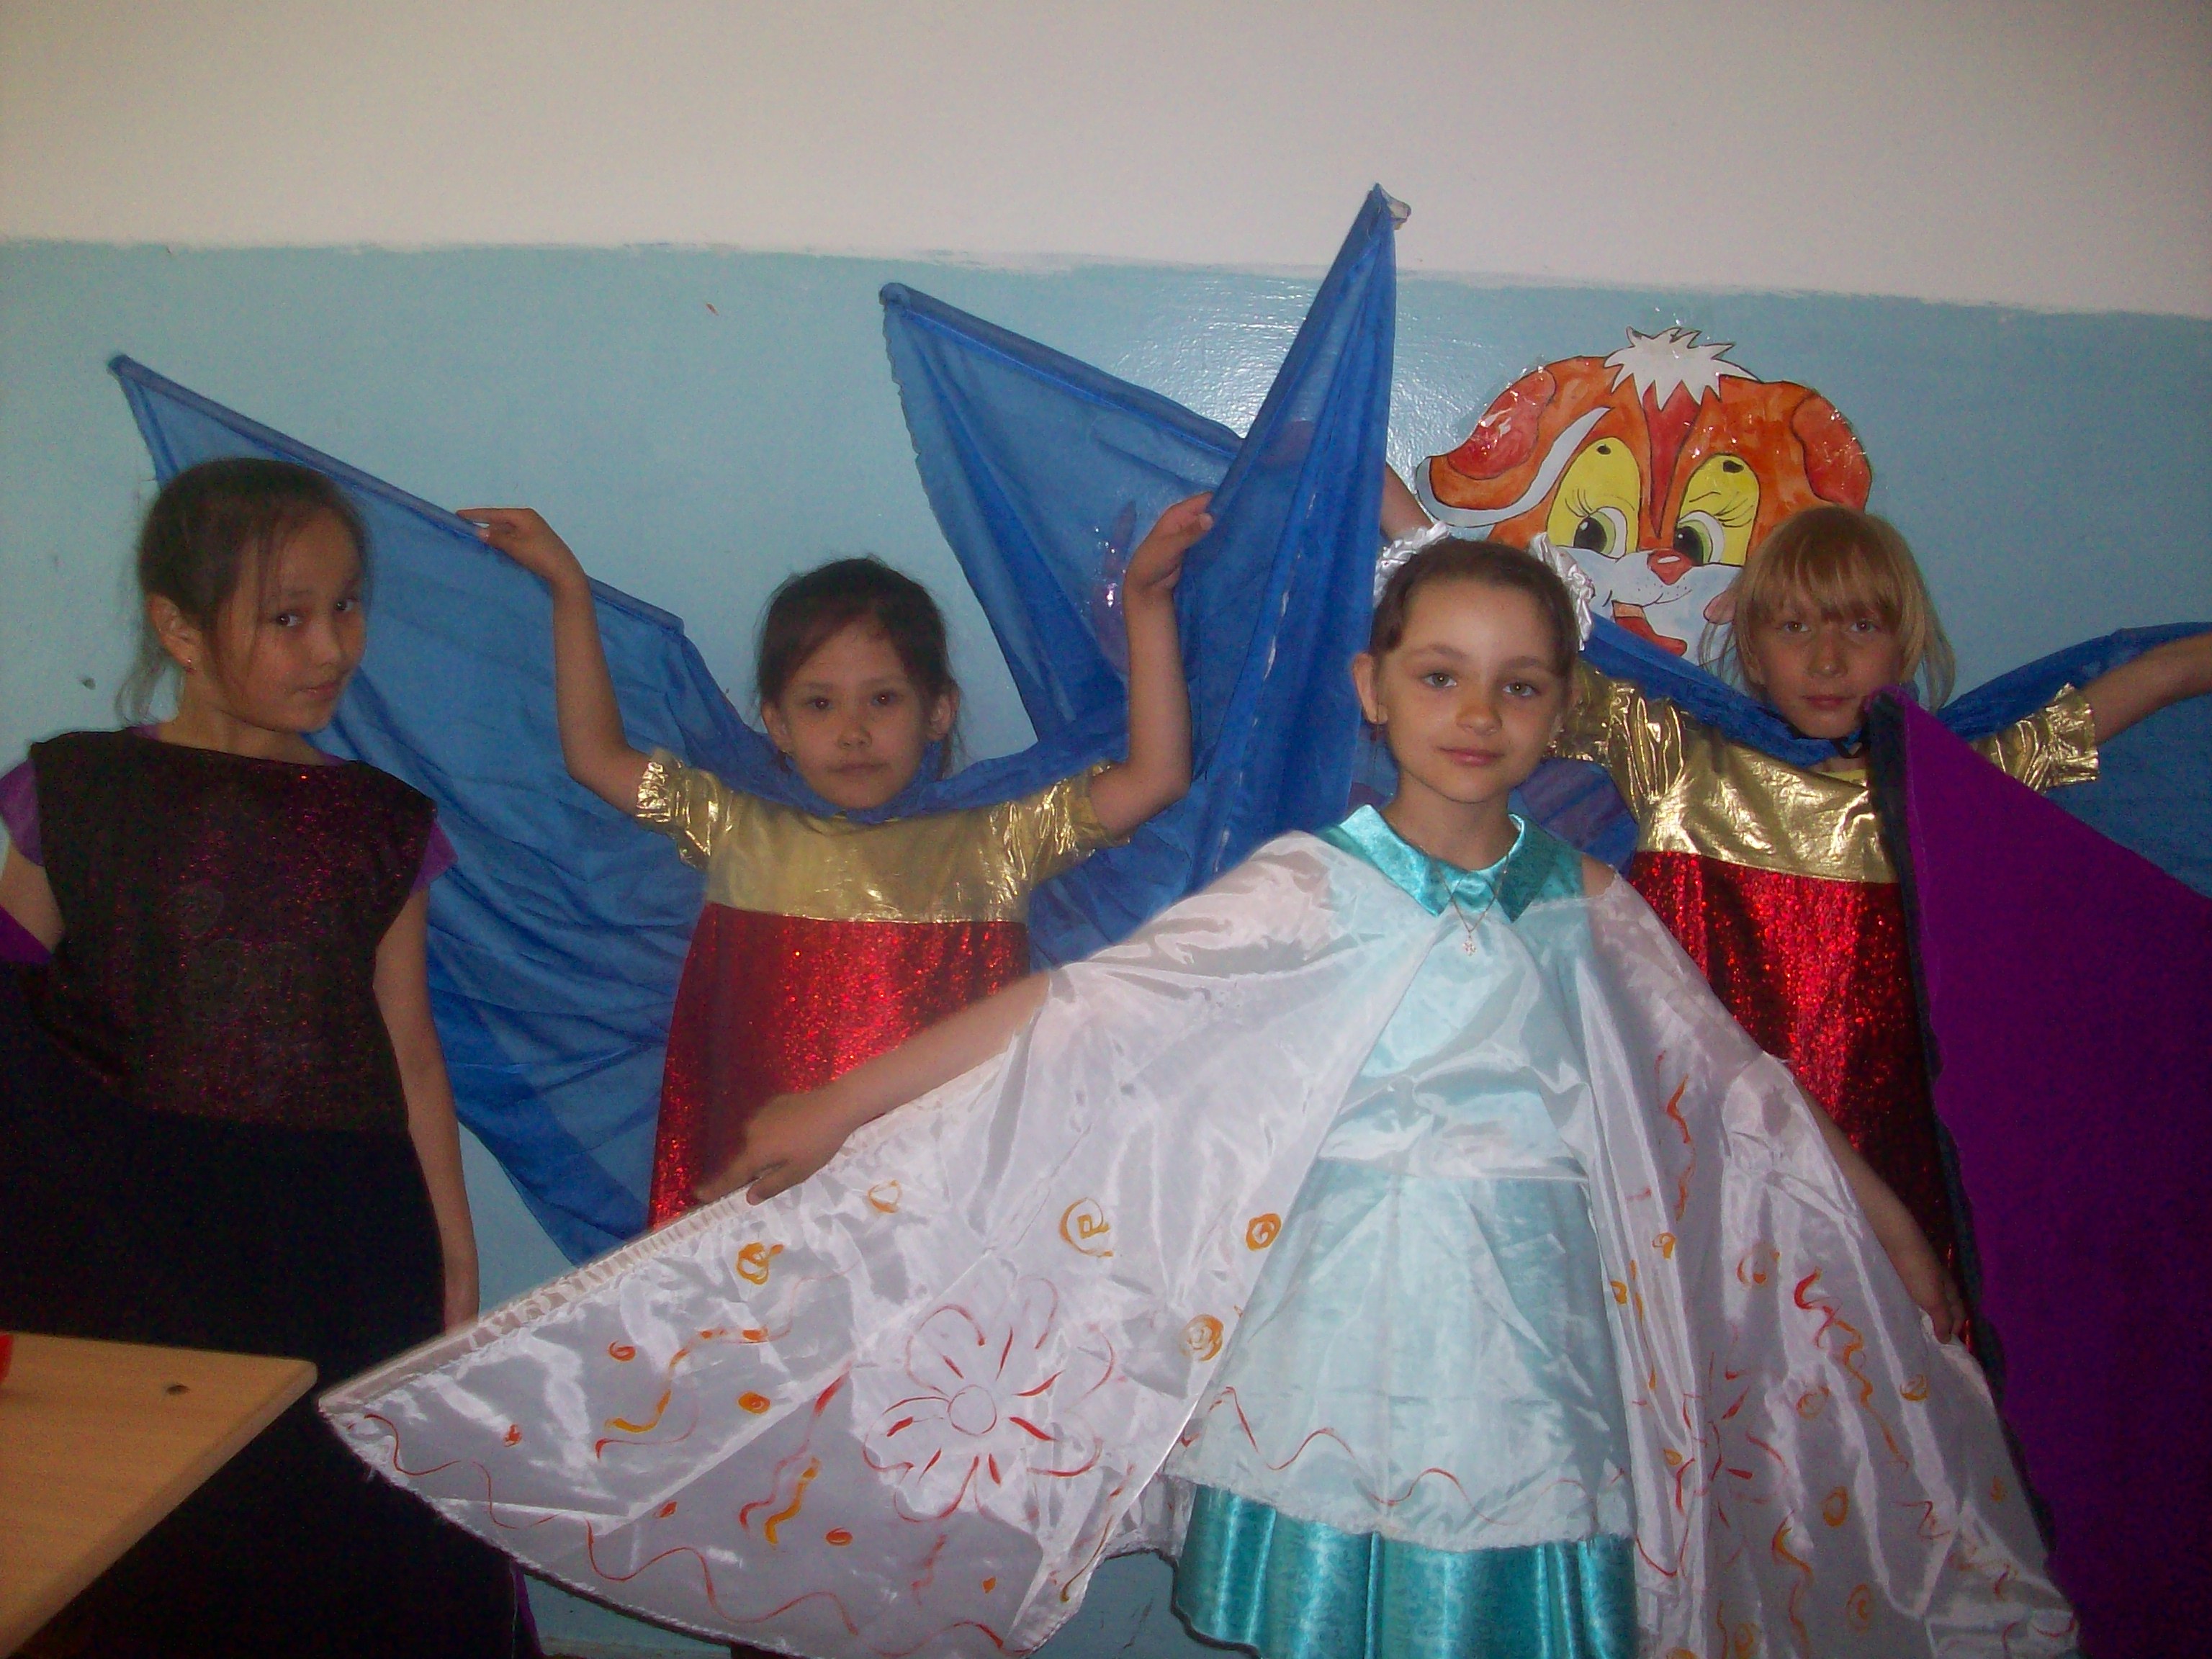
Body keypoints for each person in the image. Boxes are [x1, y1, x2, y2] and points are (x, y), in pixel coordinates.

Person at [323, 538, 2074, 1659]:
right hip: (1342, 1334)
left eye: (1517, 683)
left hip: (1532, 1347)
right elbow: (1084, 1005)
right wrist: (843, 1103)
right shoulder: (1312, 885)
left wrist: (1886, 1220)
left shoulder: (1588, 905)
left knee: (1520, 1601)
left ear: (1559, 715)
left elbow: (1730, 1084)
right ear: (1374, 690)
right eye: (1440, 674)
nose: (1476, 711)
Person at [0, 458, 521, 1655]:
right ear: (180, 628)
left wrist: (452, 1248)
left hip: (333, 1227)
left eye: (346, 606)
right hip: (126, 1226)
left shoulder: (381, 821)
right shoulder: (77, 790)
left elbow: (409, 1045)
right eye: (288, 617)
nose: (333, 646)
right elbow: (9, 1009)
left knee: (328, 1510)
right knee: (146, 1512)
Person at [468, 499, 1207, 1226]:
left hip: (944, 1206)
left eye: (882, 699)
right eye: (820, 705)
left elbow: (1157, 776)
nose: (852, 731)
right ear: (778, 724)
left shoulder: (997, 841)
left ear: (937, 712)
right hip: (764, 1202)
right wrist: (568, 590)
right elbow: (596, 758)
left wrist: (1144, 605)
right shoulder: (738, 828)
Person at [1557, 504, 2212, 1293]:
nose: (1828, 660)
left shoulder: (1945, 792)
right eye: (1794, 628)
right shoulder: (1676, 762)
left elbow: (2163, 676)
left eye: (1861, 628)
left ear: (1905, 646)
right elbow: (1508, 654)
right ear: (1752, 650)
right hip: (1700, 1181)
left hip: (1896, 1197)